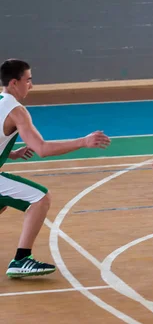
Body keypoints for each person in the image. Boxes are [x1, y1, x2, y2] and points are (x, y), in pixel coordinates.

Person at [0, 59, 111, 278]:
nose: (31, 85)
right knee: (41, 198)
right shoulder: (16, 111)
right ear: (14, 82)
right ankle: (21, 259)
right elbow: (42, 148)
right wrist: (83, 142)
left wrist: (11, 153)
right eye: (28, 80)